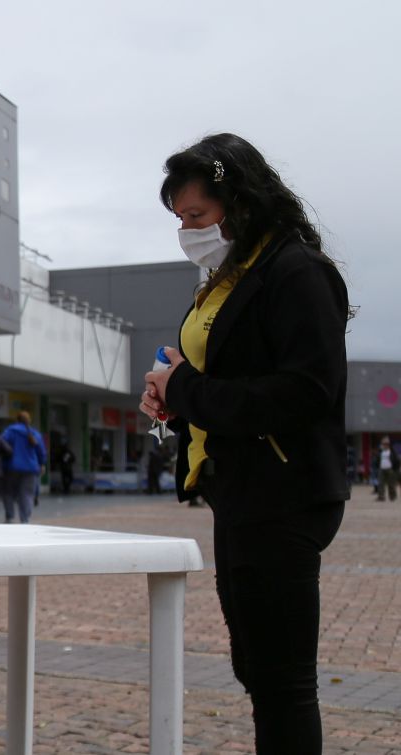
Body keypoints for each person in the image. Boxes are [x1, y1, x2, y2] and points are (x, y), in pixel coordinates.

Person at [140, 134, 349, 754]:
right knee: (258, 671)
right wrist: (177, 404)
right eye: (180, 218)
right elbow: (227, 389)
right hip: (237, 490)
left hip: (283, 494)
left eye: (198, 215)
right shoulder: (229, 278)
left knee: (283, 680)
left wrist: (188, 386)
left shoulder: (296, 271)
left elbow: (305, 391)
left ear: (241, 201)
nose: (188, 229)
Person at [1, 411, 47, 523]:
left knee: (8, 493)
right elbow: (41, 451)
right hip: (30, 469)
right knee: (27, 494)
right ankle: (25, 519)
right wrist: (42, 464)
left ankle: (9, 517)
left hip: (11, 467)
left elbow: (1, 446)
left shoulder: (9, 432)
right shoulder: (35, 434)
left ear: (17, 420)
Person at [376, 436, 399, 502]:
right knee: (380, 483)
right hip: (382, 469)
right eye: (383, 444)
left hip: (390, 469)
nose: (384, 445)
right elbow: (377, 460)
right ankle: (381, 496)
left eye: (386, 444)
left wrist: (395, 469)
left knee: (391, 484)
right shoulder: (380, 452)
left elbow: (396, 460)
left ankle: (392, 496)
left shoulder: (392, 451)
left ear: (388, 444)